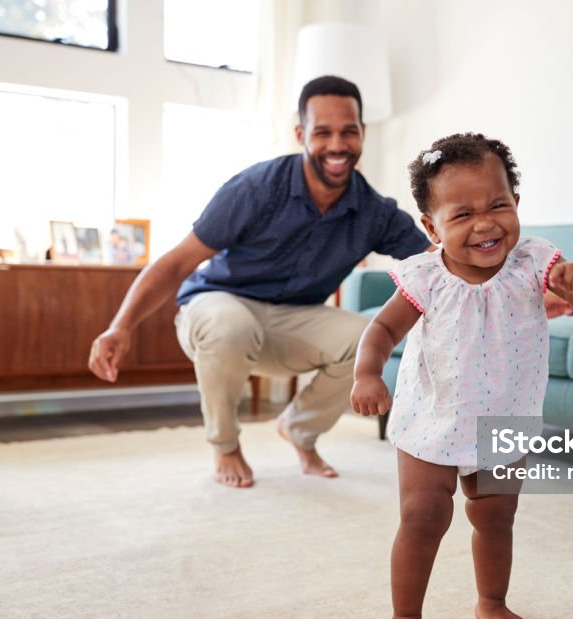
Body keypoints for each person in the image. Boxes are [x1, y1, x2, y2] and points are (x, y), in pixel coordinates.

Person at [88, 76, 432, 488]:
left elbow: (434, 262)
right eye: (323, 132)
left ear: (363, 134)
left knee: (367, 336)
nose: (337, 145)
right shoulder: (256, 189)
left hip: (293, 321)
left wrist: (498, 260)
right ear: (301, 134)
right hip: (217, 308)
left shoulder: (374, 211)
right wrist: (120, 326)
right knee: (231, 324)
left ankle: (299, 429)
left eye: (348, 131)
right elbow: (178, 262)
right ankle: (226, 445)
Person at [350, 133, 573, 619]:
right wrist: (368, 374)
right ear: (431, 227)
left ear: (516, 202)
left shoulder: (536, 261)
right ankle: (406, 617)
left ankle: (491, 602)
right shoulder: (425, 276)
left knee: (496, 517)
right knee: (422, 517)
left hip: (505, 418)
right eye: (462, 214)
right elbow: (380, 329)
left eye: (498, 205)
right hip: (434, 417)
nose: (485, 224)